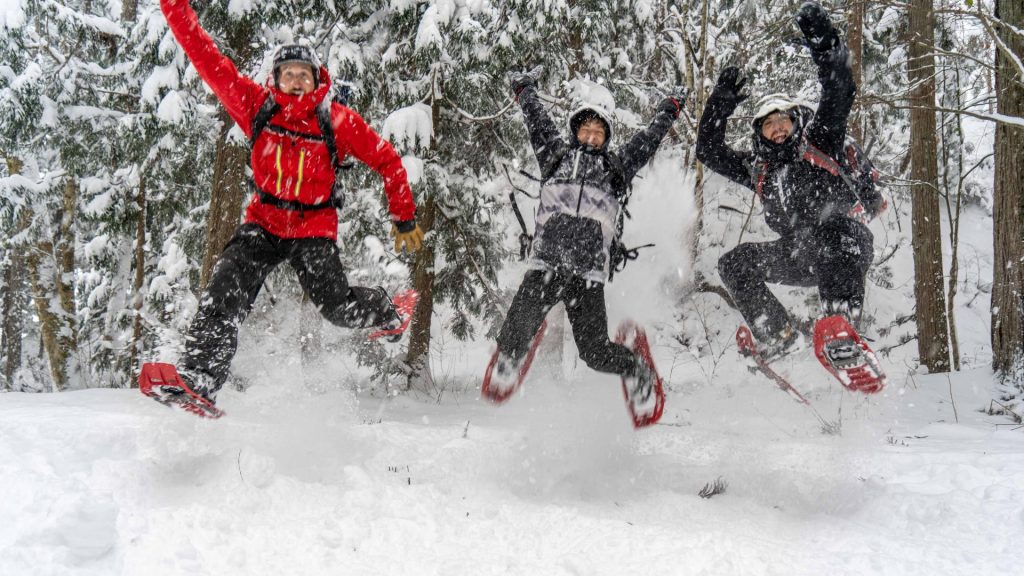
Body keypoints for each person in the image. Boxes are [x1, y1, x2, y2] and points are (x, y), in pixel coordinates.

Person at [155, 0, 424, 404]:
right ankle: (199, 380)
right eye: (288, 74)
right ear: (275, 79)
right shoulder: (255, 105)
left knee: (337, 307)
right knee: (224, 288)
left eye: (304, 75)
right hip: (263, 223)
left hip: (313, 229)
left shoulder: (335, 121)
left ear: (316, 80)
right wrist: (172, 6)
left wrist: (403, 216)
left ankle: (388, 312)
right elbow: (204, 55)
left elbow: (386, 159)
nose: (296, 82)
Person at [696, 1, 885, 360]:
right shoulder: (760, 171)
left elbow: (840, 89)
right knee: (734, 263)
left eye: (782, 120)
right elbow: (708, 151)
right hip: (800, 254)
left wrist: (823, 39)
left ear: (795, 122)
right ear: (760, 134)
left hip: (847, 244)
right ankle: (778, 334)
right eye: (768, 124)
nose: (777, 127)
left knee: (834, 232)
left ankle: (841, 324)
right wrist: (721, 101)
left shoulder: (819, 141)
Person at [489, 69, 684, 415]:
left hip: (587, 275)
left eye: (598, 132)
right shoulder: (555, 156)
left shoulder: (617, 168)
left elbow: (650, 138)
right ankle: (508, 360)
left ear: (606, 138)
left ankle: (636, 368)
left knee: (594, 353)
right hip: (546, 264)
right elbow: (536, 119)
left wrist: (669, 109)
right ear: (575, 132)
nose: (591, 137)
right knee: (517, 326)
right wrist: (524, 89)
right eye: (585, 130)